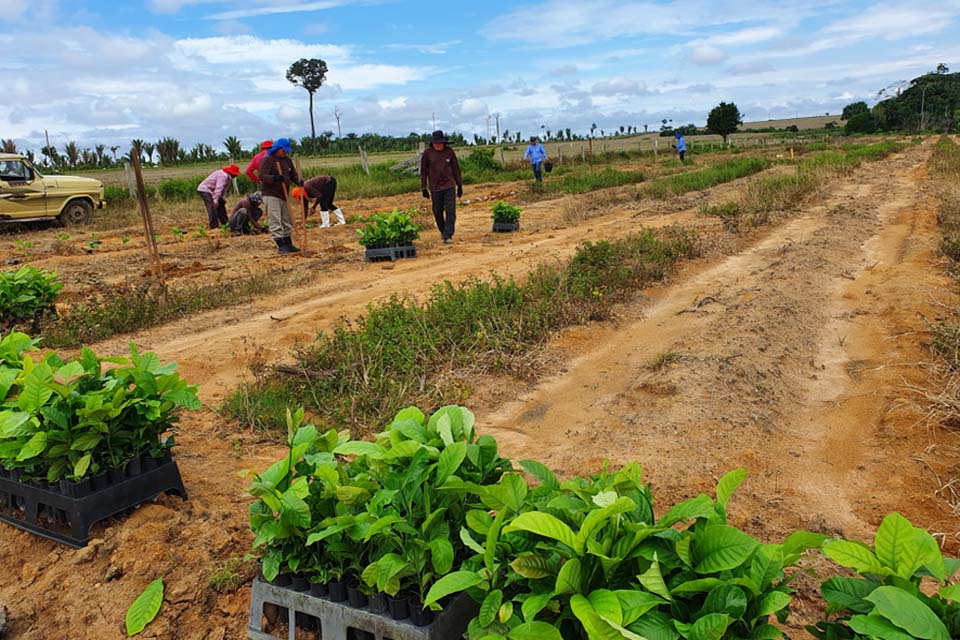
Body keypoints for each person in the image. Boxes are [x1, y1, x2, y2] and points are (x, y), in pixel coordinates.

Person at [259, 138, 302, 254]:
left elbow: (292, 173)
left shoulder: (287, 160)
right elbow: (262, 176)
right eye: (283, 150)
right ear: (278, 148)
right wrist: (274, 178)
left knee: (286, 219)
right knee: (275, 219)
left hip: (284, 194)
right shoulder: (267, 159)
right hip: (271, 194)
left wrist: (298, 181)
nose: (285, 153)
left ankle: (288, 243)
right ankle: (281, 245)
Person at [420, 130, 462, 245]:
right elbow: (423, 171)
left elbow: (456, 169)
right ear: (432, 143)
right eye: (436, 143)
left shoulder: (449, 152)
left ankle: (448, 234)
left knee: (450, 210)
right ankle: (443, 231)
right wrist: (424, 187)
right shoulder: (427, 154)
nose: (438, 145)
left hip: (449, 185)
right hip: (435, 187)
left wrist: (460, 185)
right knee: (437, 211)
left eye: (440, 143)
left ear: (444, 143)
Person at [197, 164, 239, 229]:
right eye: (235, 174)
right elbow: (219, 188)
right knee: (212, 206)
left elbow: (224, 189)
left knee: (221, 204)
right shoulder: (223, 175)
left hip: (211, 190)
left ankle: (225, 222)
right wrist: (215, 200)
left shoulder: (227, 177)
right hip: (205, 189)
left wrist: (221, 198)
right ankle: (214, 226)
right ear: (232, 173)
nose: (236, 176)